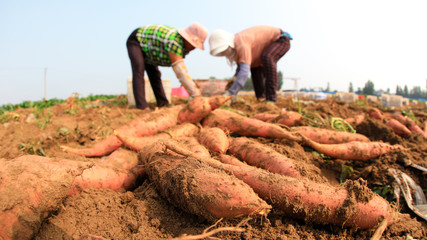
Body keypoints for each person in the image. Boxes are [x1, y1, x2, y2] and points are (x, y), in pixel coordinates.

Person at [126, 23, 208, 110]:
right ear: (187, 39)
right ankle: (141, 106)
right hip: (137, 41)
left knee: (155, 74)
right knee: (139, 69)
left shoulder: (181, 45)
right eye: (193, 45)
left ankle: (162, 103)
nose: (194, 48)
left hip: (150, 51)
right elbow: (180, 70)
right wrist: (195, 93)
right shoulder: (174, 41)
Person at [209, 25, 292, 103]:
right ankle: (261, 98)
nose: (224, 53)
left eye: (224, 50)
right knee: (254, 68)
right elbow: (239, 72)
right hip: (262, 52)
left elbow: (244, 73)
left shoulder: (241, 44)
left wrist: (231, 92)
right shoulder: (238, 50)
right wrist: (231, 85)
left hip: (281, 40)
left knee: (268, 57)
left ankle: (271, 98)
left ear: (229, 45)